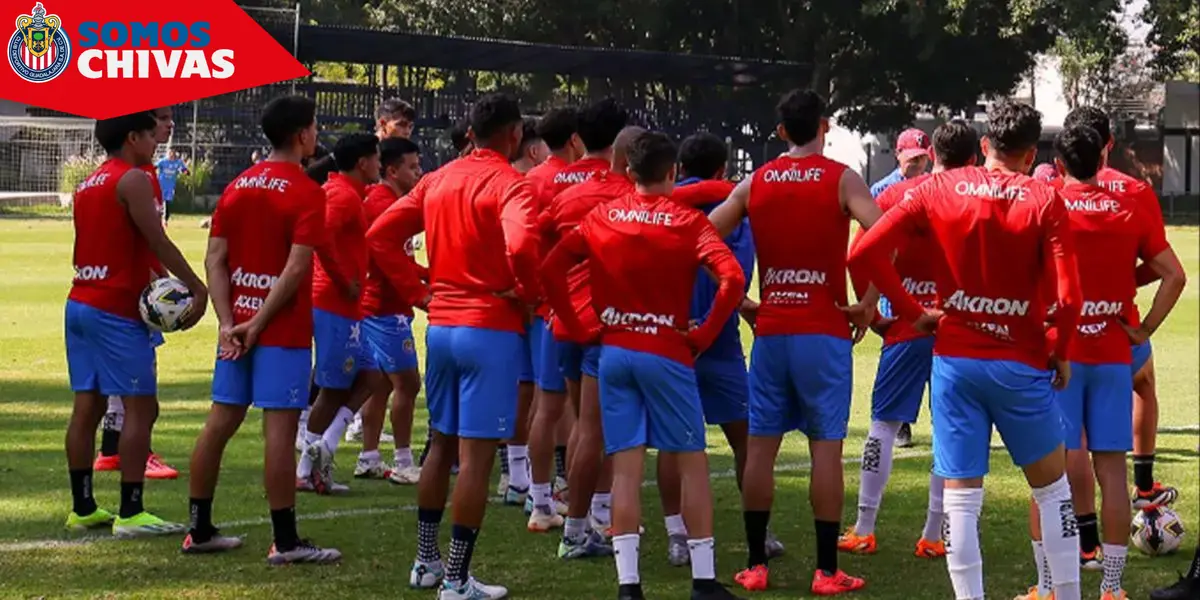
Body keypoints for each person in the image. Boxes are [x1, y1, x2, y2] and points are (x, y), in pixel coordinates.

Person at [848, 100, 1085, 600]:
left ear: (984, 146)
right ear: (1030, 152)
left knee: (962, 501)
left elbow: (863, 252)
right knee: (1053, 492)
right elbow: (1069, 297)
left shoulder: (938, 188)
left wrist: (913, 312)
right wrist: (1061, 351)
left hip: (956, 361)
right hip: (1021, 362)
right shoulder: (1044, 198)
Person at [542, 130, 746, 600]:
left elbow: (552, 267)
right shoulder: (686, 222)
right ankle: (702, 580)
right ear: (672, 171)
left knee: (627, 467)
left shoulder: (602, 216)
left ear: (628, 172)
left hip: (614, 350)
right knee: (692, 463)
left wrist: (578, 324)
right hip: (667, 351)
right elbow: (731, 278)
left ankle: (629, 585)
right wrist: (704, 333)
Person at [366, 92, 540, 600]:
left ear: (471, 132)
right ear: (513, 136)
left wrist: (420, 287)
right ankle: (457, 579)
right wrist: (526, 292)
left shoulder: (436, 179)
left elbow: (379, 235)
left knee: (441, 443)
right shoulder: (511, 183)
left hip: (441, 327)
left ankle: (427, 562)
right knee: (478, 456)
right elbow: (524, 244)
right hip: (490, 328)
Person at [708, 89, 878, 595]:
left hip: (773, 330)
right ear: (824, 125)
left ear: (781, 131)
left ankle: (756, 565)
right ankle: (827, 571)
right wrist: (869, 299)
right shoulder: (842, 177)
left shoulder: (755, 182)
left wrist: (738, 298)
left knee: (760, 448)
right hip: (822, 332)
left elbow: (703, 236)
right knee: (826, 449)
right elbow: (886, 231)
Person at [1015, 125, 1185, 600]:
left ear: (1060, 164)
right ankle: (1111, 589)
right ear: (1105, 155)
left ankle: (1048, 586)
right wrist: (1145, 327)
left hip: (1059, 352)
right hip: (1112, 350)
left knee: (1048, 474)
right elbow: (1174, 274)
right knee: (1112, 471)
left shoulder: (1045, 202)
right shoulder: (1128, 204)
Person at [183, 94, 341, 564]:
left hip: (236, 329)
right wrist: (260, 323)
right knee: (278, 429)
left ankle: (199, 528)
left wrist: (230, 322)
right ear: (301, 135)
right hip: (281, 331)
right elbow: (295, 271)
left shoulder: (237, 186)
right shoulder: (307, 191)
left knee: (220, 423)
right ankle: (286, 541)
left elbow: (215, 258)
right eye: (313, 127)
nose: (317, 134)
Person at [838, 120, 979, 559]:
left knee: (882, 424)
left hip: (905, 324)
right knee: (949, 428)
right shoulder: (978, 199)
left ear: (933, 154)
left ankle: (864, 526)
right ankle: (934, 533)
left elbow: (858, 255)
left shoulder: (897, 195)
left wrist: (876, 312)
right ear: (973, 159)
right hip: (958, 325)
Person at [64, 110, 207, 538]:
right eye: (150, 134)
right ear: (132, 137)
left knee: (86, 406)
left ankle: (83, 506)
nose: (155, 141)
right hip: (115, 309)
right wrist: (195, 287)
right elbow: (157, 239)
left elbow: (116, 241)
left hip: (80, 302)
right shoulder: (132, 180)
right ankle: (131, 511)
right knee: (140, 407)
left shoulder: (87, 183)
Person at [659, 132, 783, 566]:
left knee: (674, 443)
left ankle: (677, 535)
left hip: (672, 336)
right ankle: (759, 530)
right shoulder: (737, 214)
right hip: (720, 339)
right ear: (720, 171)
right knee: (745, 439)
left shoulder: (663, 206)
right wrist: (742, 307)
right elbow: (737, 274)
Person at [1060, 107, 1179, 517]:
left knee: (1071, 434)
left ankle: (1082, 531)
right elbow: (1165, 266)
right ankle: (1143, 483)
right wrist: (1127, 284)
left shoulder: (1053, 190)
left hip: (1066, 331)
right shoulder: (1133, 191)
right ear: (1108, 144)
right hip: (1118, 326)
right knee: (1143, 382)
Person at [536, 100, 631, 541]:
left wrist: (551, 306)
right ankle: (582, 523)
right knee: (597, 426)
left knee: (578, 421)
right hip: (601, 323)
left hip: (564, 321)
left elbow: (536, 247)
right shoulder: (622, 194)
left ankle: (582, 512)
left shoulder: (565, 194)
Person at [93, 106, 182, 481]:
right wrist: (180, 284)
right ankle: (138, 452)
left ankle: (112, 448)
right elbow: (152, 239)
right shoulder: (135, 175)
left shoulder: (143, 172)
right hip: (128, 288)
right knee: (140, 376)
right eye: (161, 119)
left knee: (116, 376)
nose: (168, 125)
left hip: (125, 285)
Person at [296, 133, 381, 494]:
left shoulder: (347, 193)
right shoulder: (342, 196)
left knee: (373, 376)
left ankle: (323, 449)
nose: (379, 165)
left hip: (345, 305)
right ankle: (304, 470)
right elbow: (320, 236)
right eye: (377, 159)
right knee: (332, 388)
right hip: (333, 303)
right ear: (363, 162)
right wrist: (343, 278)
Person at [525, 107, 586, 511]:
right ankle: (586, 504)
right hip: (586, 307)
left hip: (545, 306)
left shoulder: (532, 181)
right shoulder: (593, 182)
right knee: (580, 409)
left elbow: (521, 240)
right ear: (575, 138)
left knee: (545, 403)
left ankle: (538, 494)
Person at [356, 137, 427, 485]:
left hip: (382, 304)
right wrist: (421, 293)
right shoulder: (383, 203)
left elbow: (401, 258)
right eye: (413, 167)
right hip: (383, 307)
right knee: (408, 383)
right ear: (392, 169)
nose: (419, 173)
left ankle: (369, 456)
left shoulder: (390, 200)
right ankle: (402, 460)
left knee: (382, 383)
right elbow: (385, 256)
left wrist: (429, 275)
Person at [495, 116, 549, 507]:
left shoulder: (507, 180)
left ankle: (516, 476)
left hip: (501, 300)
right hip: (524, 301)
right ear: (533, 149)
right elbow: (520, 245)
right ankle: (525, 480)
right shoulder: (523, 185)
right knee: (535, 391)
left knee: (523, 389)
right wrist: (526, 290)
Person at [869, 127, 932, 449]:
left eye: (922, 159)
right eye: (912, 159)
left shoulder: (935, 187)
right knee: (899, 361)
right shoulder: (882, 190)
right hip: (896, 295)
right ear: (898, 155)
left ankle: (941, 420)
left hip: (930, 295)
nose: (917, 165)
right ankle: (902, 424)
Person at [306, 98, 415, 185]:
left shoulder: (405, 155)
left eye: (410, 127)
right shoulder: (360, 146)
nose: (407, 132)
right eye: (401, 125)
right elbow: (312, 174)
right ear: (382, 123)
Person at [155, 150, 190, 222]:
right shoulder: (163, 161)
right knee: (159, 201)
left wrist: (186, 172)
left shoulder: (178, 162)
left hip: (170, 186)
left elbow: (184, 169)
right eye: (170, 154)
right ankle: (157, 217)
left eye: (173, 154)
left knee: (168, 202)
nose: (172, 156)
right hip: (161, 184)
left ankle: (165, 220)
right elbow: (154, 166)